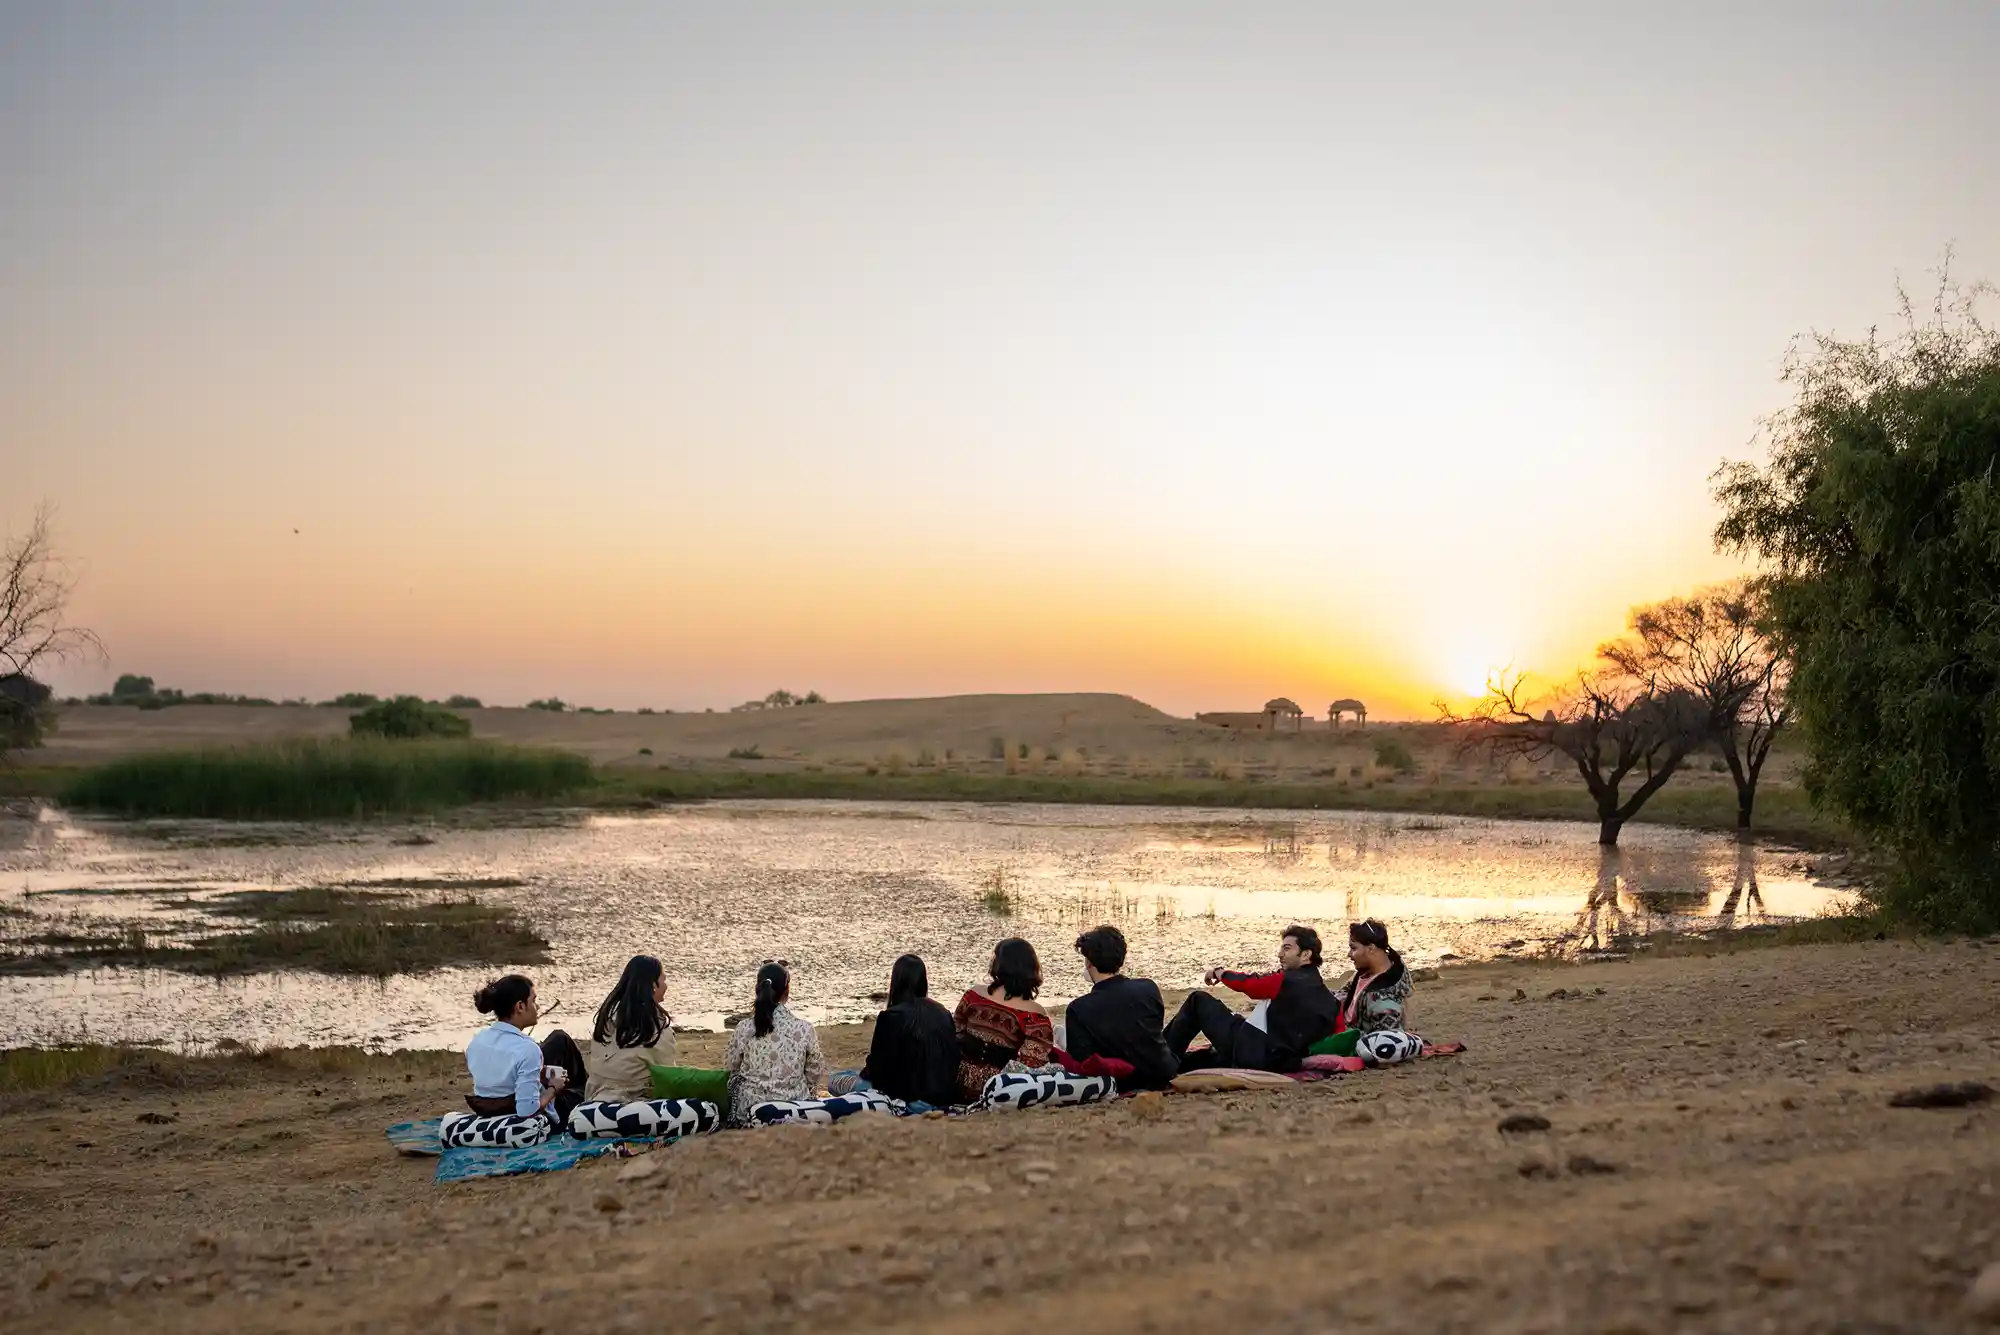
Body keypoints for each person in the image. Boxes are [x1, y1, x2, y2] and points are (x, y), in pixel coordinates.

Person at [1165, 924, 1338, 1074]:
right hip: (1279, 1061)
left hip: (1253, 1051)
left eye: (1287, 949)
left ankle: (1158, 1058)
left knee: (1198, 1000)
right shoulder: (1330, 999)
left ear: (1306, 955)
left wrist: (1220, 972)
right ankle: (1168, 1060)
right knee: (1194, 1060)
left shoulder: (1285, 980)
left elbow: (1250, 984)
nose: (1280, 954)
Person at [829, 954, 961, 1108]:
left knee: (835, 1080)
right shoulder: (943, 1012)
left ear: (896, 981)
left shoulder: (890, 1017)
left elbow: (877, 1070)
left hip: (902, 1095)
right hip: (941, 1095)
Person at [1063, 925, 1177, 1090]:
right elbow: (1153, 1032)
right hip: (1163, 1071)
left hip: (1125, 1082)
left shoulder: (1078, 1008)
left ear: (1088, 962)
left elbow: (1082, 1063)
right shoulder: (1149, 987)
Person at [464, 973, 587, 1118]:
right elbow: (528, 1111)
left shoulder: (477, 1041)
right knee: (580, 1094)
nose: (538, 1007)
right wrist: (554, 1088)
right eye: (534, 1001)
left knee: (559, 1039)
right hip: (522, 1117)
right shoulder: (527, 1049)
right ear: (520, 1006)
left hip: (490, 1109)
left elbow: (498, 1078)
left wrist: (538, 1075)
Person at [724, 960, 827, 1126]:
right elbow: (814, 1073)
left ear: (757, 988)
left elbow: (731, 1067)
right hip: (794, 1109)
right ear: (787, 991)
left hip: (749, 1114)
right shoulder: (805, 1029)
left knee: (735, 1081)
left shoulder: (743, 1028)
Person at [953, 937, 1055, 1104]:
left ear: (998, 965)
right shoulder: (1035, 1014)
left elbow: (956, 1032)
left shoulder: (973, 995)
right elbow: (1032, 1062)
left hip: (958, 1080)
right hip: (998, 1089)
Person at [1315, 918, 1425, 1066]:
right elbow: (1342, 995)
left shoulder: (1384, 996)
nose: (1349, 954)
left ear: (1371, 948)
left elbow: (1384, 1039)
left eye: (1353, 948)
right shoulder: (1366, 974)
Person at [583, 954, 678, 1104]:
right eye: (663, 979)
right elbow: (668, 1077)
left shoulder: (606, 1018)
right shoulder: (656, 1029)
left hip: (594, 1098)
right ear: (653, 985)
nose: (666, 985)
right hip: (630, 1103)